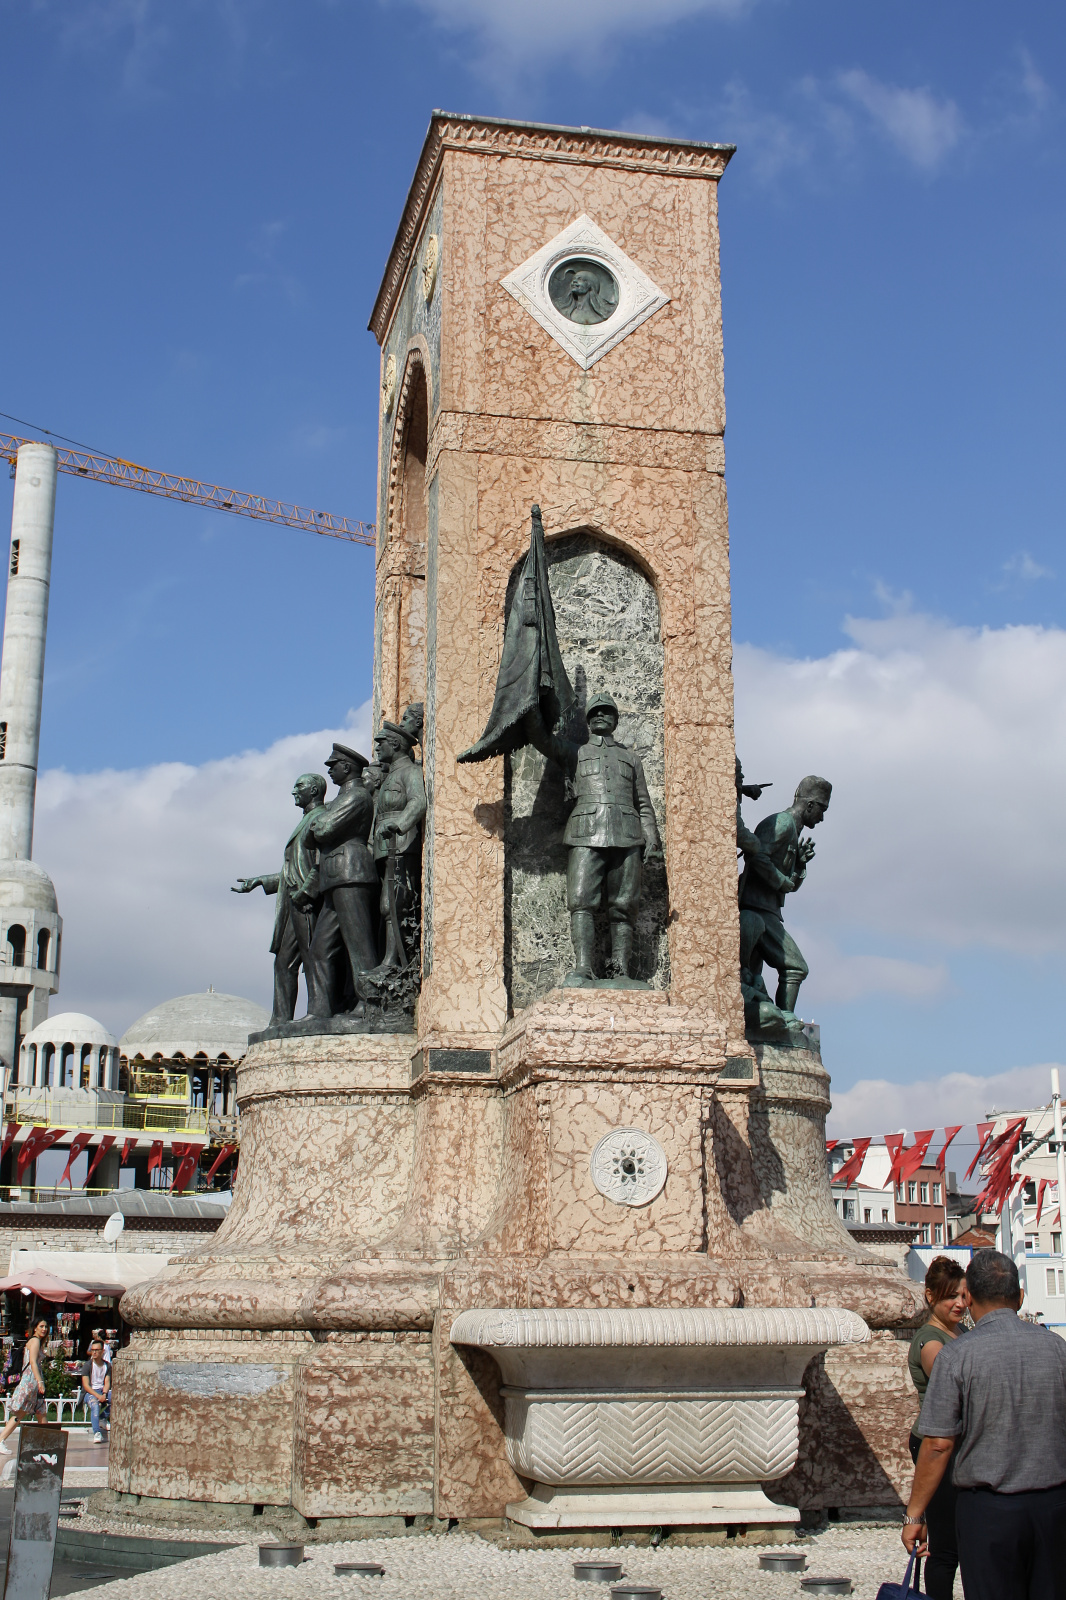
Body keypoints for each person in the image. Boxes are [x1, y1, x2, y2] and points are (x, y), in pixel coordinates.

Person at [903, 1248, 1066, 1600]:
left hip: (989, 1509)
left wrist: (914, 1515)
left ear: (971, 1298)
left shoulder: (957, 1356)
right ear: (1020, 1298)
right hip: (1053, 1504)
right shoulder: (1057, 1349)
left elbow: (938, 1443)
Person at [524, 692, 661, 985]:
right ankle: (584, 966)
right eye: (595, 713)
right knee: (581, 901)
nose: (600, 716)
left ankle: (620, 969)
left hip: (627, 834)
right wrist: (531, 706)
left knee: (624, 905)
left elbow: (644, 803)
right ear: (588, 721)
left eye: (606, 712)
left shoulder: (630, 759)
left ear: (615, 719)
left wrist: (652, 839)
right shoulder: (574, 752)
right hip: (585, 833)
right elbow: (542, 740)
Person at [233, 771, 328, 1024]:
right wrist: (261, 881)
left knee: (313, 959)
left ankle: (319, 1013)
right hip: (293, 903)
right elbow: (292, 869)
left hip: (306, 901)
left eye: (299, 786)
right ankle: (279, 1020)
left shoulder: (320, 818)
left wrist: (306, 891)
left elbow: (320, 863)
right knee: (284, 962)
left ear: (314, 791)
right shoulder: (307, 819)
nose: (294, 791)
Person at [738, 774, 831, 1016]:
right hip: (756, 908)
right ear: (809, 805)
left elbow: (790, 884)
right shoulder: (781, 823)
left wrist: (799, 865)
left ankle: (771, 1019)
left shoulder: (794, 830)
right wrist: (781, 881)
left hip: (768, 910)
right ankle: (786, 1018)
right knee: (796, 967)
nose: (822, 817)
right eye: (821, 809)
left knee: (752, 976)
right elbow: (756, 855)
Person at [906, 1256, 968, 1600]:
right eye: (950, 1297)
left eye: (962, 1295)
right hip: (935, 1441)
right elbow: (953, 1389)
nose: (959, 1303)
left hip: (958, 1442)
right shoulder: (931, 1340)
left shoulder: (961, 1330)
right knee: (945, 1545)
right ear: (930, 1296)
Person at [307, 743, 377, 1015]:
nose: (329, 770)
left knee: (359, 944)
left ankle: (371, 1003)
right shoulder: (341, 799)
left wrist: (319, 825)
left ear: (347, 767)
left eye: (332, 765)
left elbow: (323, 829)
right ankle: (319, 1011)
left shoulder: (357, 796)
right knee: (319, 949)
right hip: (335, 877)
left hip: (351, 873)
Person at [0, 1317, 49, 1453]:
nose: (44, 1329)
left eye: (45, 1326)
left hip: (33, 1382)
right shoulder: (35, 1341)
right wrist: (40, 1382)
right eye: (41, 1326)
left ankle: (46, 1442)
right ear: (35, 1328)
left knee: (41, 1412)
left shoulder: (34, 1341)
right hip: (31, 1382)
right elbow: (33, 1362)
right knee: (20, 1413)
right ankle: (1, 1439)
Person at [80, 1337, 111, 1441]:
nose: (94, 1352)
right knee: (95, 1405)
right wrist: (98, 1396)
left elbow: (107, 1382)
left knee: (118, 1399)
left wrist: (104, 1393)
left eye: (97, 1350)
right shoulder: (87, 1366)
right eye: (92, 1350)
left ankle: (103, 1418)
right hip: (90, 1392)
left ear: (103, 1351)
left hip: (102, 1391)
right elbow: (86, 1386)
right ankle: (97, 1432)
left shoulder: (107, 1365)